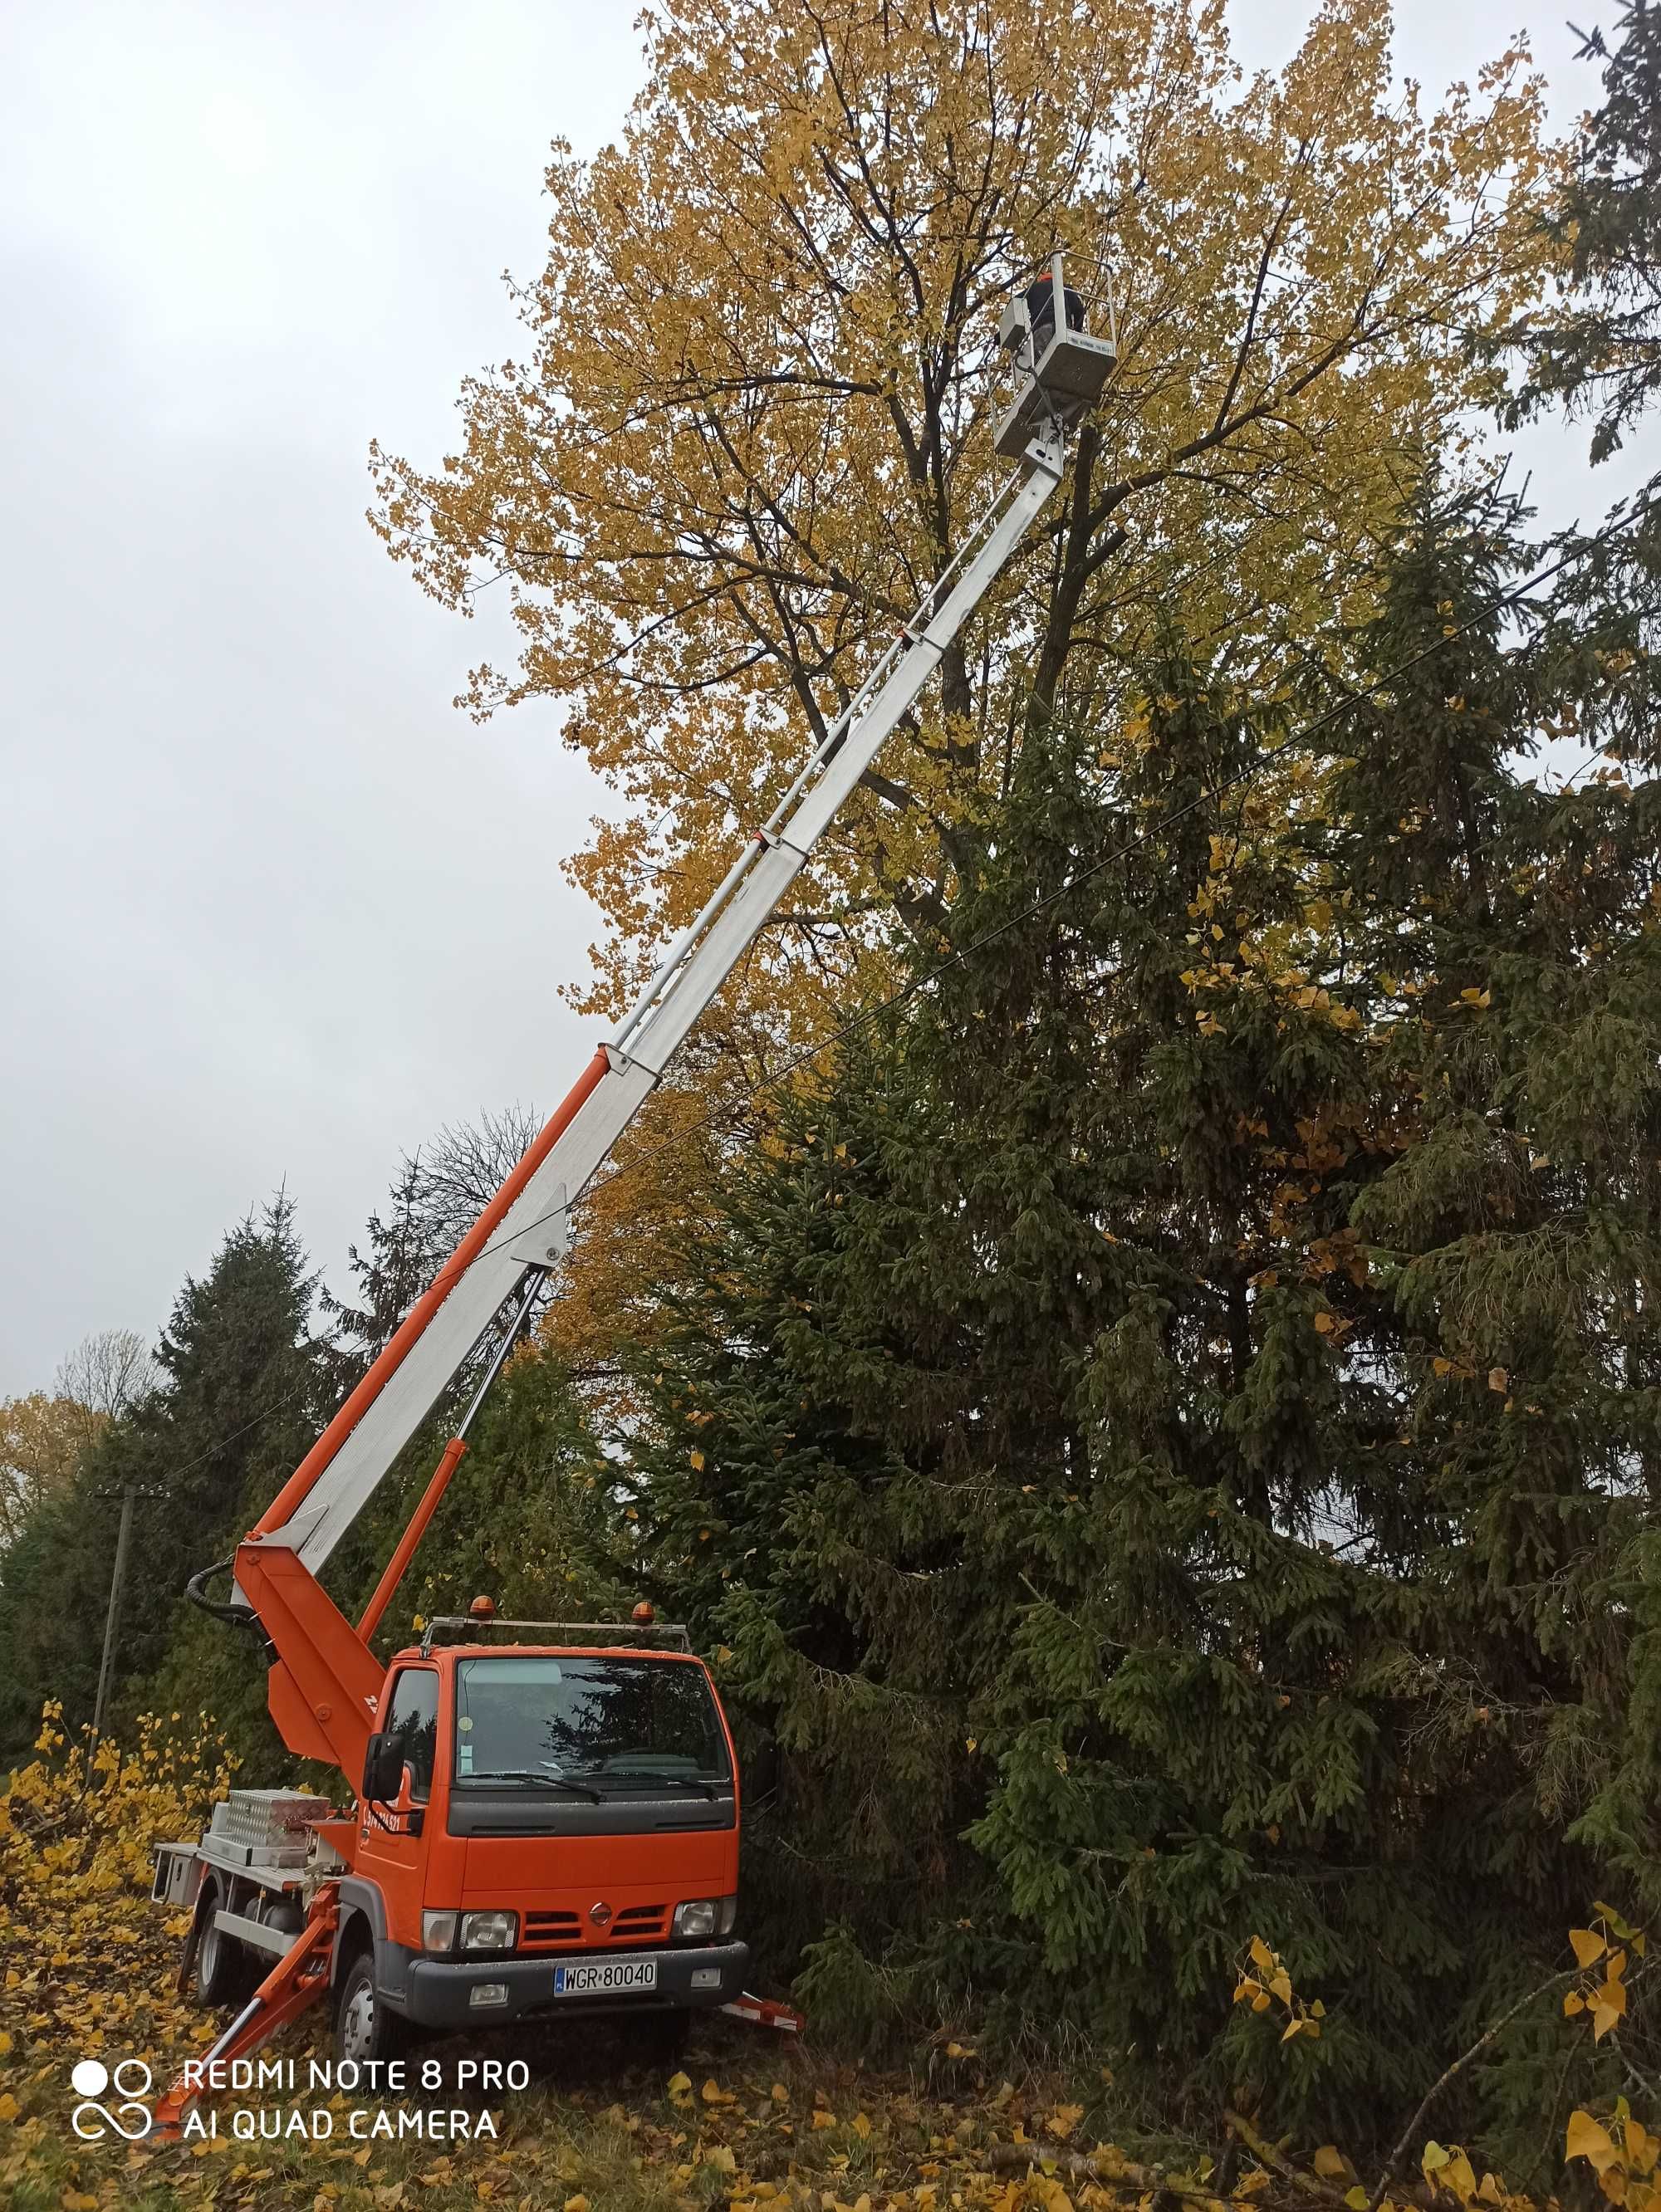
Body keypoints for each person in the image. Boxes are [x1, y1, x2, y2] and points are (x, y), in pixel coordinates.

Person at [1024, 272, 1086, 352]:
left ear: (1041, 281)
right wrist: (1078, 333)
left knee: (1041, 359)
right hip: (1063, 327)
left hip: (1040, 328)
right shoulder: (1064, 288)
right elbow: (1079, 309)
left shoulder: (1033, 289)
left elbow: (1016, 302)